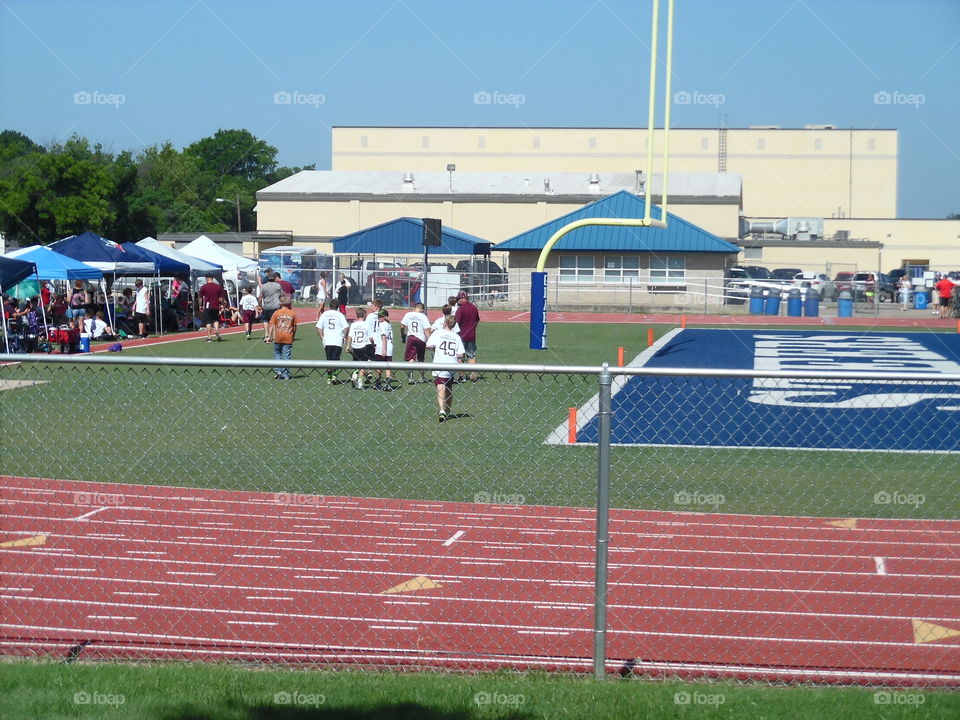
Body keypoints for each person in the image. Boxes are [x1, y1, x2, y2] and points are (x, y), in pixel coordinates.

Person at [426, 314, 465, 423]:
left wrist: (435, 350)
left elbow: (428, 345)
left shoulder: (438, 333)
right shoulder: (456, 337)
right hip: (451, 365)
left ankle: (442, 410)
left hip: (439, 363)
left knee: (440, 387)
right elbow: (460, 354)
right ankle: (447, 410)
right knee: (448, 388)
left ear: (444, 323)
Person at [315, 300, 348, 383]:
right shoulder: (340, 315)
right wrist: (344, 337)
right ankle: (334, 376)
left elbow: (318, 328)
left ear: (329, 306)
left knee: (329, 359)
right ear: (338, 307)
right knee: (336, 359)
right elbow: (346, 327)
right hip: (337, 340)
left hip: (327, 340)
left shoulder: (324, 314)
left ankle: (329, 377)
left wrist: (322, 338)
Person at [400, 302, 431, 384]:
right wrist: (430, 340)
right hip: (421, 338)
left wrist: (402, 335)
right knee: (421, 359)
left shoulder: (408, 314)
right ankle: (422, 377)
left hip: (411, 337)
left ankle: (411, 377)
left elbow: (402, 326)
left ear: (414, 308)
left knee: (411, 358)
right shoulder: (423, 316)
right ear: (422, 310)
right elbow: (426, 329)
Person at [269, 294, 297, 380]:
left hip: (278, 337)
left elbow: (271, 325)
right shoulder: (292, 313)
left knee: (277, 354)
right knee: (286, 356)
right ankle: (286, 374)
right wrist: (293, 336)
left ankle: (278, 371)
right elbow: (295, 327)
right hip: (288, 337)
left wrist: (269, 336)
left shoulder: (276, 313)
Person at [454, 290, 480, 382]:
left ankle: (462, 377)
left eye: (458, 299)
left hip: (461, 336)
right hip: (471, 335)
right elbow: (477, 320)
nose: (457, 301)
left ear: (463, 298)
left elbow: (456, 322)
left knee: (460, 356)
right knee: (471, 355)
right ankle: (473, 374)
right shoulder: (474, 308)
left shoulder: (460, 309)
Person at [345, 307, 373, 389]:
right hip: (363, 346)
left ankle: (354, 377)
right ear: (364, 315)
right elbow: (370, 338)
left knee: (356, 363)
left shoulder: (353, 324)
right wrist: (373, 344)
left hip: (355, 346)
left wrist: (348, 346)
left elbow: (350, 336)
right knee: (363, 365)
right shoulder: (366, 324)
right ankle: (360, 383)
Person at [372, 308, 395, 391]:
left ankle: (377, 383)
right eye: (378, 316)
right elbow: (392, 338)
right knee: (388, 366)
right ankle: (388, 384)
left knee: (379, 365)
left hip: (382, 347)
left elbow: (384, 337)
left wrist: (384, 349)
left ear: (385, 317)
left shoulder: (382, 324)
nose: (379, 317)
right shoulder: (389, 324)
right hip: (389, 347)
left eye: (381, 316)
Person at [198, 273, 225, 342]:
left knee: (208, 321)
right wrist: (222, 305)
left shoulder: (204, 287)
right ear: (212, 278)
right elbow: (221, 298)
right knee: (216, 320)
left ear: (206, 278)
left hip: (207, 306)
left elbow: (200, 298)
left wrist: (200, 305)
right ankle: (216, 330)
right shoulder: (218, 286)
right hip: (216, 306)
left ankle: (209, 337)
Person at [259, 272, 282, 342]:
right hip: (276, 306)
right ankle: (274, 337)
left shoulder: (264, 286)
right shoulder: (278, 285)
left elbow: (260, 297)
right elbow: (282, 295)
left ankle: (266, 335)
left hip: (266, 306)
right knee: (274, 321)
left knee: (265, 320)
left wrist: (260, 305)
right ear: (274, 278)